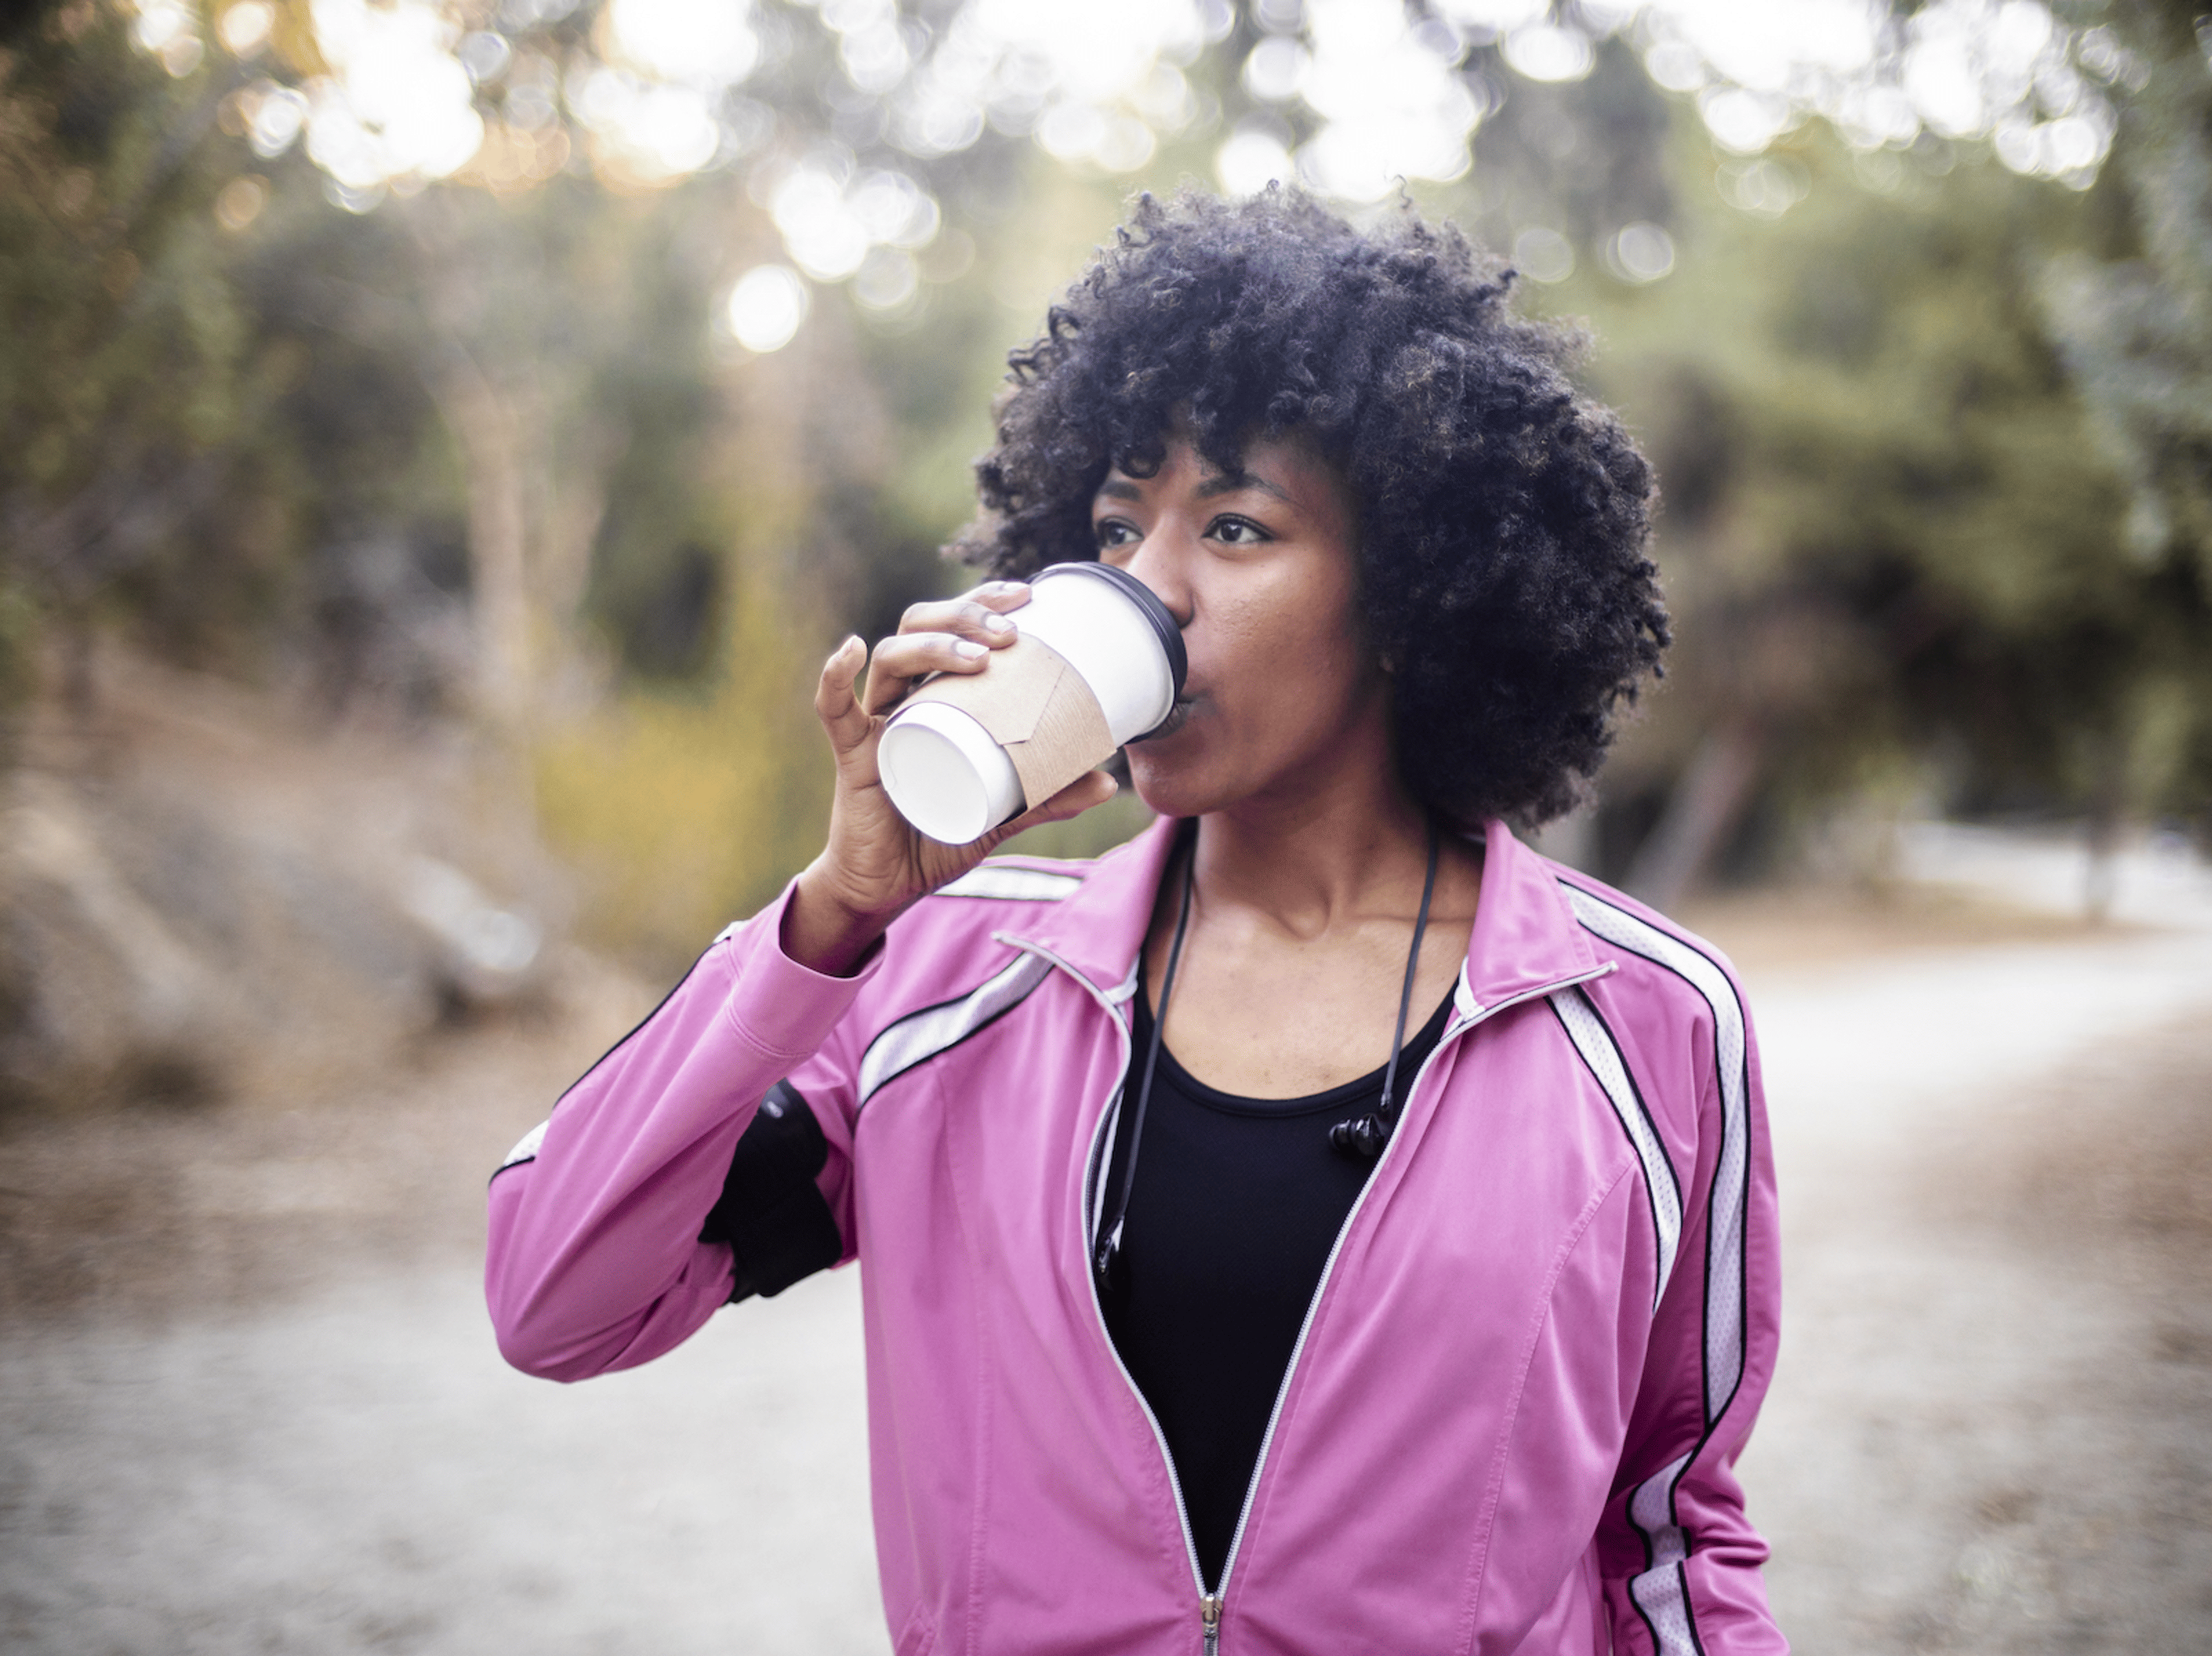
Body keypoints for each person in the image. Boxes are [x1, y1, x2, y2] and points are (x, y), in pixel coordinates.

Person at [487, 188, 1784, 1655]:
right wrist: (833, 915)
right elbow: (555, 1297)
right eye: (1113, 524)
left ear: (1416, 593)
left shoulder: (1645, 1019)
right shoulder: (942, 978)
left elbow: (1673, 1527)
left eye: (1236, 525)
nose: (1140, 588)